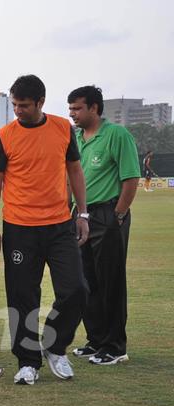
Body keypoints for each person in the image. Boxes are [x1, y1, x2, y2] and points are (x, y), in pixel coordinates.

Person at [0, 74, 89, 385]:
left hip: (59, 225)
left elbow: (74, 170)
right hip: (20, 228)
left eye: (24, 106)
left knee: (76, 290)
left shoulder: (62, 128)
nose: (18, 110)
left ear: (41, 102)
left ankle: (55, 347)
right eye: (15, 105)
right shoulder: (3, 136)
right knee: (22, 297)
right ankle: (27, 361)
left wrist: (82, 213)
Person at [68, 85, 140, 365]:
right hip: (82, 216)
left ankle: (114, 346)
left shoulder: (117, 135)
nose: (73, 114)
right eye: (70, 108)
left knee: (110, 281)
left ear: (94, 108)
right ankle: (95, 340)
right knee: (86, 281)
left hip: (109, 214)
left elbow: (131, 179)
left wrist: (118, 216)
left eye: (78, 108)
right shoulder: (75, 138)